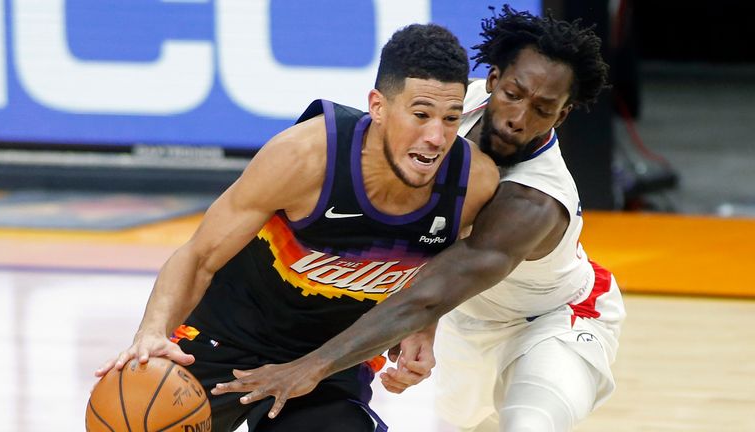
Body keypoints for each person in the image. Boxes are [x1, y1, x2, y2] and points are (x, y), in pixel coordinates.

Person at [213, 6, 626, 432]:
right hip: (465, 319)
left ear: (561, 115)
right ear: (493, 81)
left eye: (543, 109)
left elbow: (431, 292)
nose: (518, 118)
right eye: (513, 95)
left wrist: (311, 367)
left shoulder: (535, 199)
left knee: (529, 423)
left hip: (553, 316)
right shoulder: (447, 106)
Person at [94, 23, 499, 432]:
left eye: (451, 118)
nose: (436, 136)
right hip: (222, 341)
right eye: (421, 115)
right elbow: (198, 256)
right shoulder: (305, 158)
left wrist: (422, 330)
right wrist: (150, 332)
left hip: (325, 365)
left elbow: (442, 272)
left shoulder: (473, 184)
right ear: (378, 106)